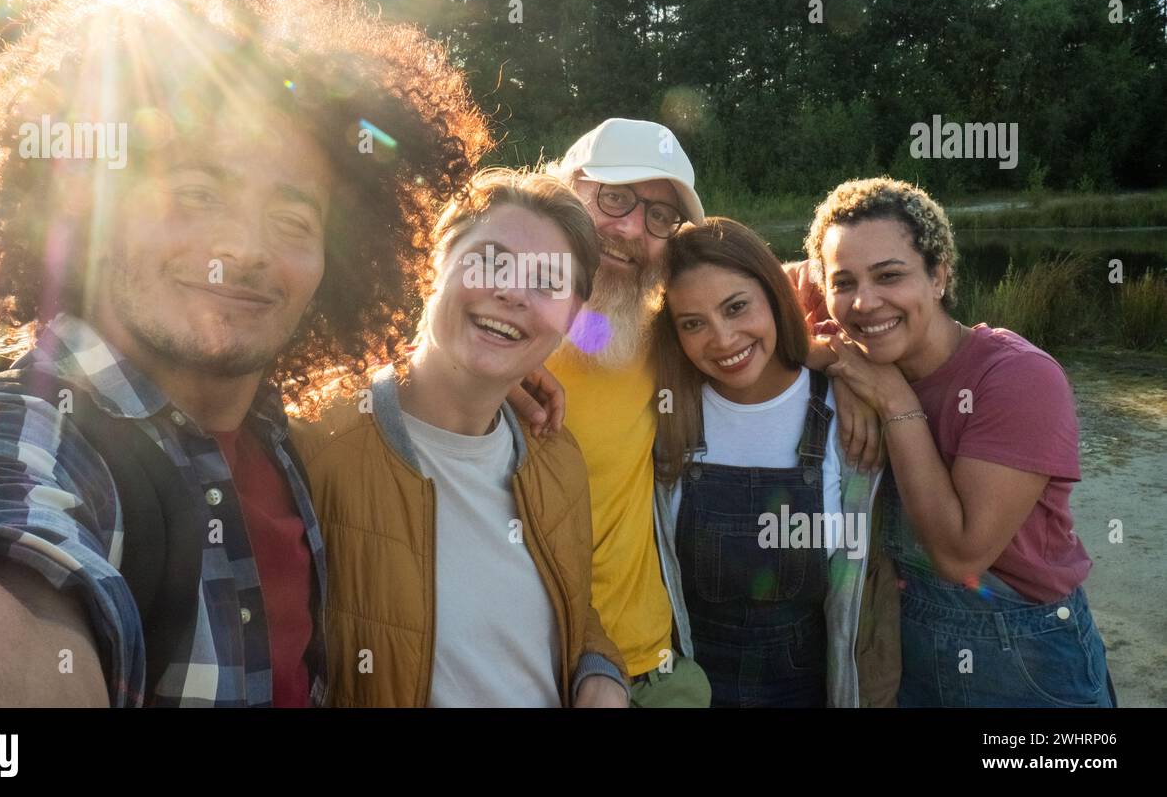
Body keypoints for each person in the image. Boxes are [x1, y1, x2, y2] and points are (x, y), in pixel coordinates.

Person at [0, 0, 489, 706]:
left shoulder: (281, 435)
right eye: (194, 194)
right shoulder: (20, 437)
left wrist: (494, 378)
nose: (245, 249)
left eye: (293, 216)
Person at [528, 118, 882, 706]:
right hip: (532, 666)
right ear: (565, 196)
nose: (630, 229)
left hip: (656, 667)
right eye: (614, 198)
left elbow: (760, 299)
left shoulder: (640, 338)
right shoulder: (510, 333)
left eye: (660, 217)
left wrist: (852, 373)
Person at [292, 167, 629, 707]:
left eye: (548, 283)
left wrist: (600, 671)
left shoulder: (555, 453)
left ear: (570, 319)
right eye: (490, 260)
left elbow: (572, 611)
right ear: (433, 265)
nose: (513, 293)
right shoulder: (312, 439)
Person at [807, 176, 1116, 708]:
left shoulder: (1017, 378)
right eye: (843, 282)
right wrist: (837, 363)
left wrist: (895, 401)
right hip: (908, 653)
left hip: (1025, 659)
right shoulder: (857, 357)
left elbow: (962, 556)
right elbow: (762, 315)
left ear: (939, 274)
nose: (864, 302)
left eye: (889, 275)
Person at [651, 218, 900, 707]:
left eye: (737, 307)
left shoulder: (847, 415)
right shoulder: (663, 415)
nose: (722, 339)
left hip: (810, 688)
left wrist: (845, 363)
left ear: (773, 296)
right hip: (690, 688)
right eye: (692, 323)